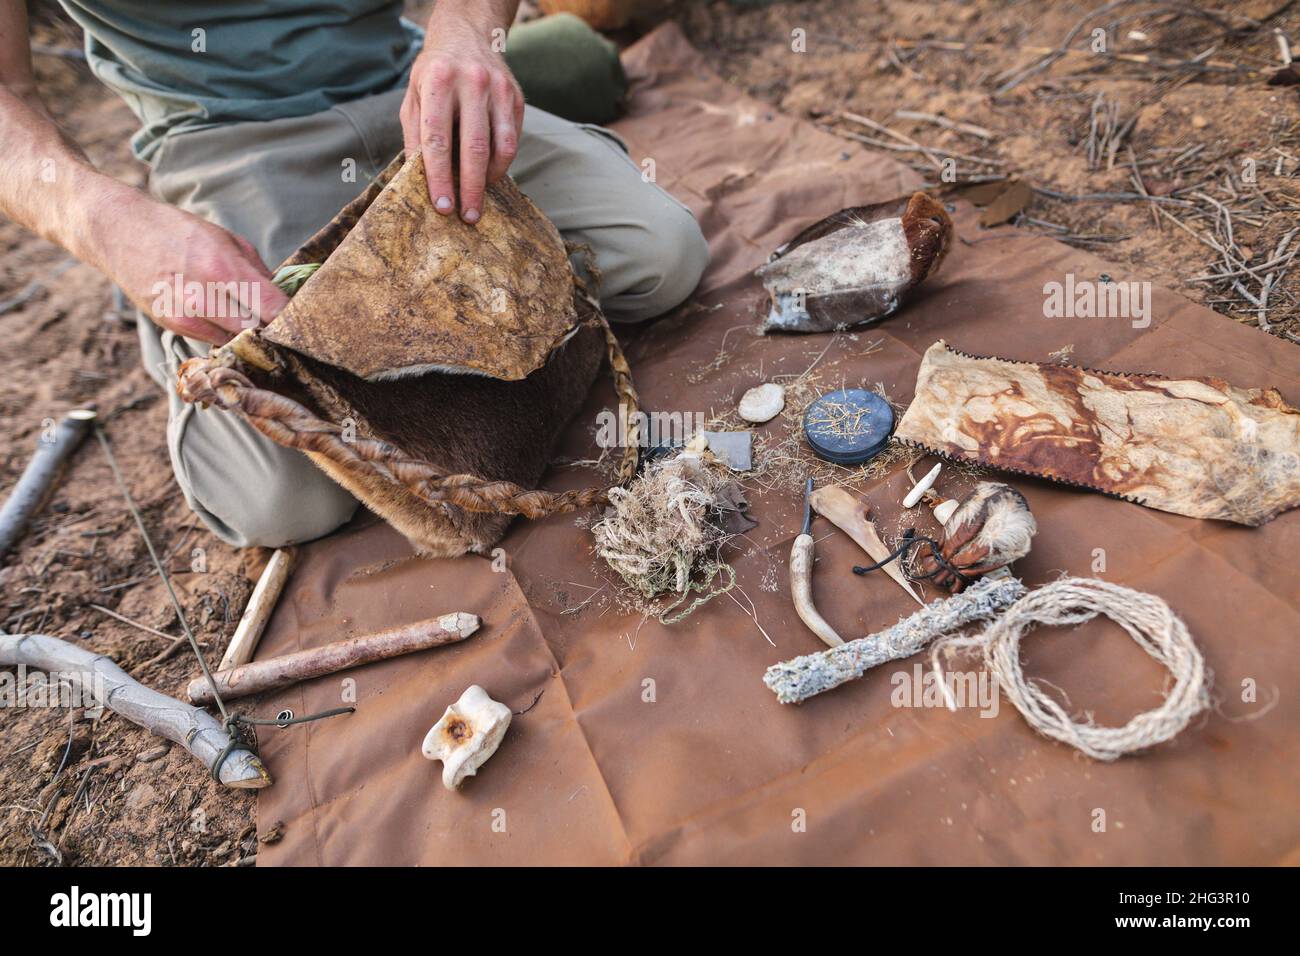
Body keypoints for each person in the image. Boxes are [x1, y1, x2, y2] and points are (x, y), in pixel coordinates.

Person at [0, 0, 708, 547]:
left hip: (409, 93)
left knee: (660, 259)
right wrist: (109, 224)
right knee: (284, 500)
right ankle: (189, 315)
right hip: (228, 144)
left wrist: (465, 33)